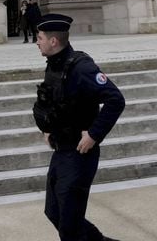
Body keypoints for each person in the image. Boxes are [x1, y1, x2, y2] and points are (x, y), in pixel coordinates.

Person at [32, 13, 126, 241]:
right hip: (61, 149)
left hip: (79, 153)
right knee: (54, 211)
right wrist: (47, 130)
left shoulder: (82, 68)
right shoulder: (54, 64)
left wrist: (94, 135)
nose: (37, 41)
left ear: (53, 41)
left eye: (40, 37)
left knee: (69, 224)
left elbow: (116, 100)